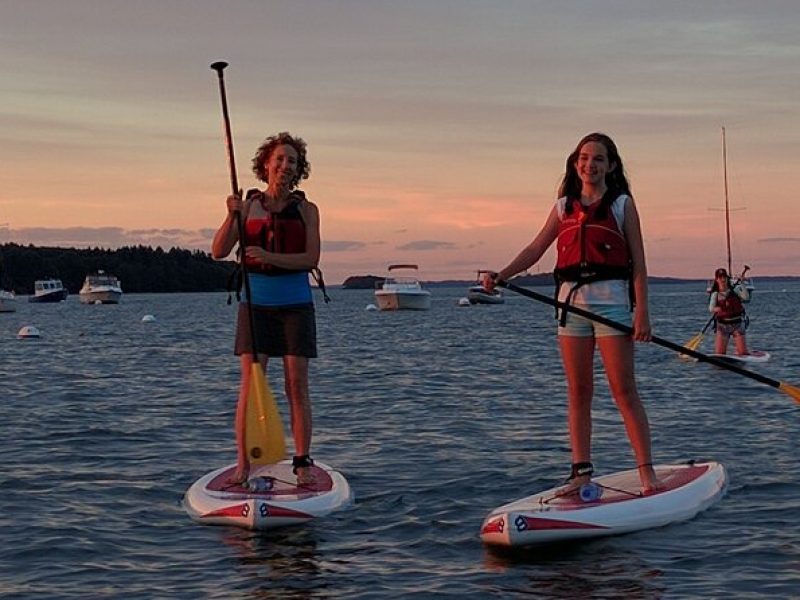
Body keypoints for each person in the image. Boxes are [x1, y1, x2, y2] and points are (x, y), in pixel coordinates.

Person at [484, 132, 662, 494]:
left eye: (598, 159)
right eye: (584, 158)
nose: (589, 165)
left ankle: (647, 472)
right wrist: (502, 275)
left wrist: (642, 313)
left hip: (611, 305)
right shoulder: (564, 206)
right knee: (578, 391)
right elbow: (536, 248)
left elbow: (639, 267)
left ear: (611, 166)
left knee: (623, 390)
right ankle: (581, 472)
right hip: (571, 310)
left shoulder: (622, 205)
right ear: (575, 162)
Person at [211, 131, 321, 485]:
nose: (285, 166)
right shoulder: (249, 207)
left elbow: (310, 258)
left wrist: (270, 256)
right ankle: (243, 464)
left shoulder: (307, 210)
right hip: (255, 304)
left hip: (295, 305)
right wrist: (232, 216)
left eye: (292, 161)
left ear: (298, 169)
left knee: (295, 385)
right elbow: (218, 251)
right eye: (279, 160)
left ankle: (302, 463)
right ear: (266, 165)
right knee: (251, 383)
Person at [709, 267, 750, 356]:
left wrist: (742, 284)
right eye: (720, 277)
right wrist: (717, 309)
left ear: (727, 278)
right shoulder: (715, 294)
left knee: (743, 353)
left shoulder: (735, 290)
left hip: (737, 324)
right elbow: (711, 308)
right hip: (722, 326)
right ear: (716, 280)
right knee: (719, 354)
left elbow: (746, 298)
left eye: (724, 277)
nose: (723, 279)